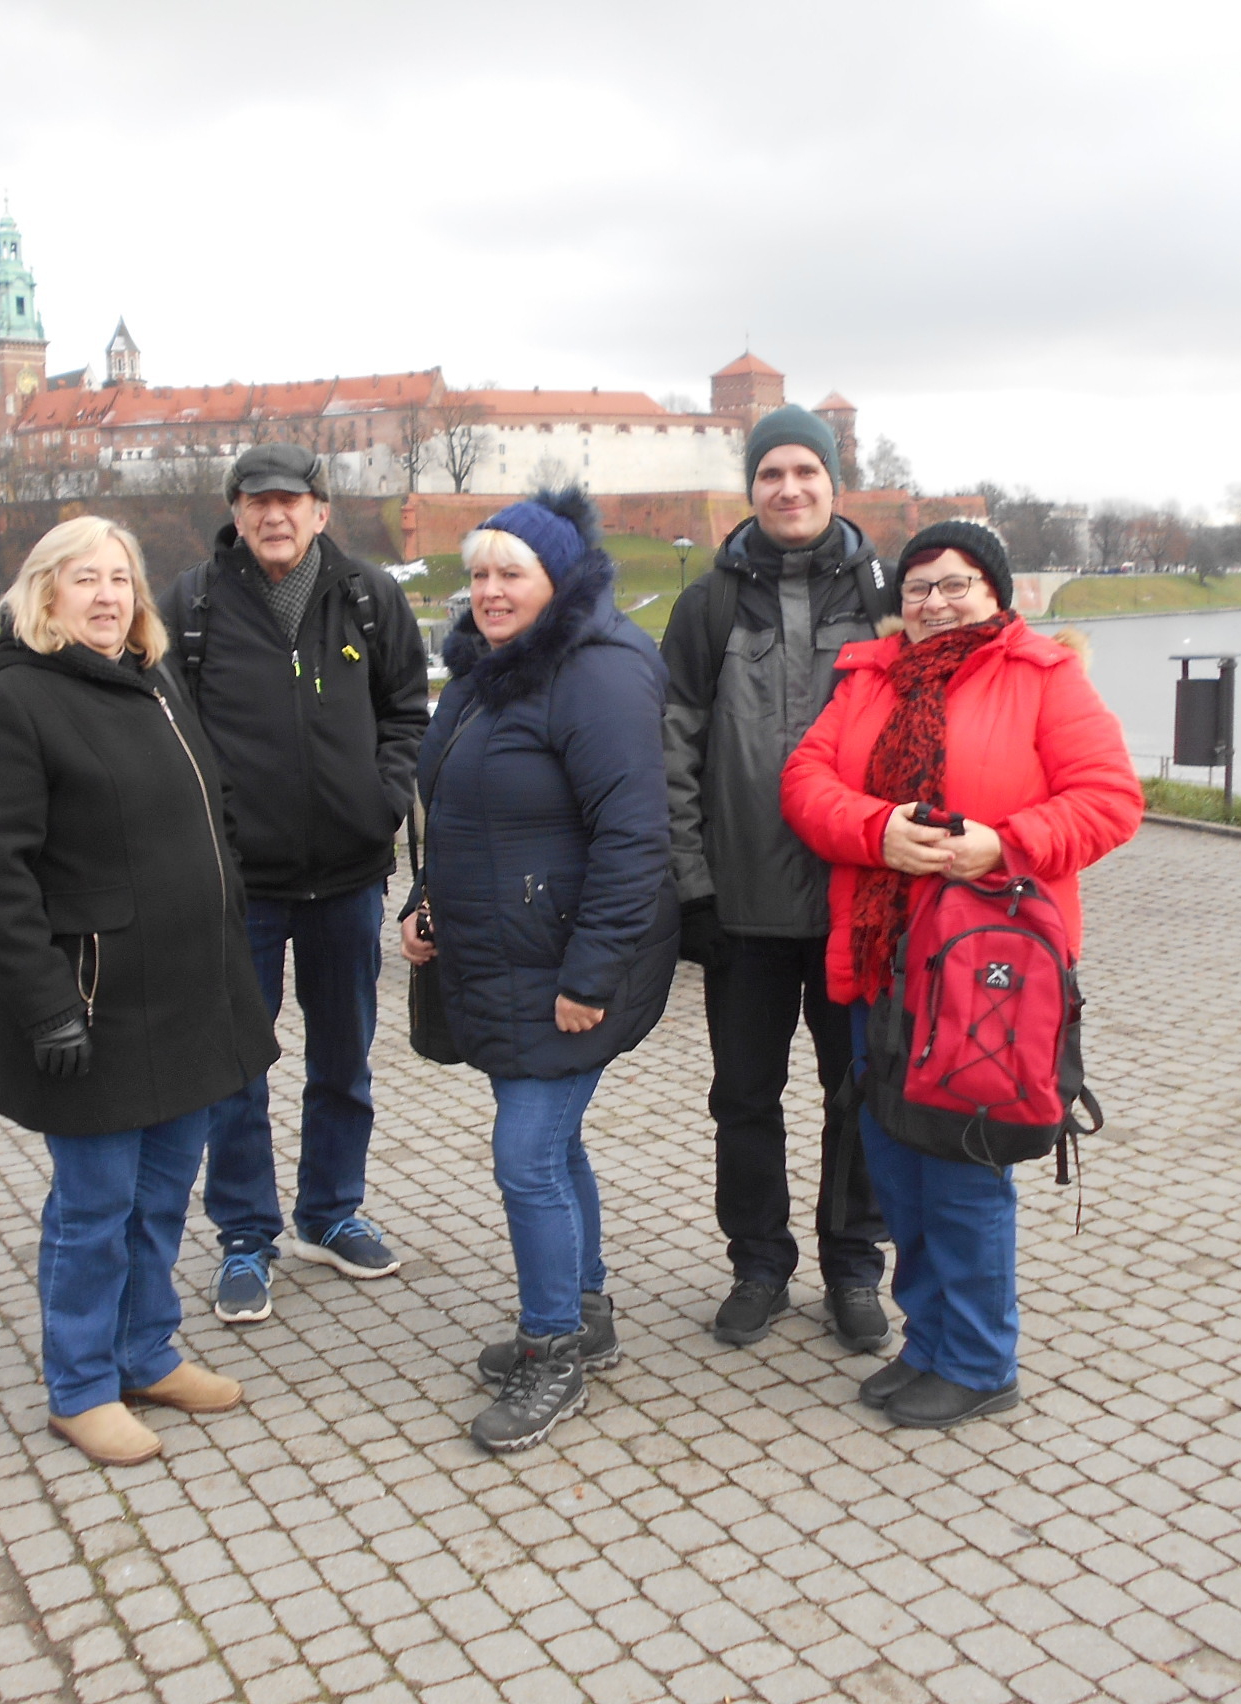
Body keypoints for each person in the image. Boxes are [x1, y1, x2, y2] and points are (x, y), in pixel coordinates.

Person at [782, 520, 1142, 1428]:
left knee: (964, 1166)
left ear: (994, 592)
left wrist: (1003, 844)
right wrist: (877, 832)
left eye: (956, 584)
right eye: (918, 587)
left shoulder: (1045, 677)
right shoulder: (869, 679)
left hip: (988, 970)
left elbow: (1109, 801)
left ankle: (981, 1362)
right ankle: (931, 1342)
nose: (935, 602)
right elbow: (806, 783)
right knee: (897, 1164)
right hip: (880, 963)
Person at [0, 515, 279, 1467]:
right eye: (85, 578)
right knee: (94, 1209)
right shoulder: (10, 706)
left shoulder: (155, 683)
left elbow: (211, 813)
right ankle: (82, 1385)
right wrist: (45, 1003)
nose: (107, 596)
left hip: (190, 994)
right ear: (44, 591)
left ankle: (145, 1352)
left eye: (121, 579)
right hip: (94, 1004)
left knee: (163, 1194)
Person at [399, 490, 678, 1453]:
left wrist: (590, 976)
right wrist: (424, 904)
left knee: (525, 1156)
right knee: (553, 1149)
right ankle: (586, 1313)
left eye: (510, 573)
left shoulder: (596, 674)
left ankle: (552, 1348)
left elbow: (635, 838)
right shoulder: (487, 672)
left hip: (569, 963)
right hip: (506, 957)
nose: (489, 590)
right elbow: (455, 809)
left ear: (557, 580)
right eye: (478, 573)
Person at [156, 443, 429, 1325]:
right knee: (237, 1068)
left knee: (343, 1059)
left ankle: (330, 1212)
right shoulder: (193, 605)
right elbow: (167, 728)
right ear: (236, 512)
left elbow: (406, 712)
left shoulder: (368, 596)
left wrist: (380, 802)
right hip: (239, 885)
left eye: (290, 500)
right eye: (256, 501)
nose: (274, 515)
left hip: (347, 877)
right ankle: (245, 1235)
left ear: (320, 511)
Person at [659, 405, 903, 1353]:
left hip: (858, 905)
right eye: (772, 473)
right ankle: (758, 1263)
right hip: (744, 909)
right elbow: (673, 752)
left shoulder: (887, 597)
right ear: (751, 486)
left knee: (860, 1092)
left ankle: (853, 1267)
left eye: (807, 471)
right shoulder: (707, 605)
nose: (789, 488)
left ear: (834, 482)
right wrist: (692, 887)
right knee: (744, 1099)